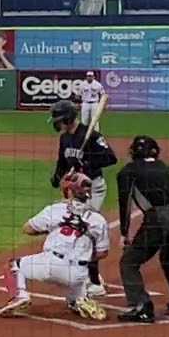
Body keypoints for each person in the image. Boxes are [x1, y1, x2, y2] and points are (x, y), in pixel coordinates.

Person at [0, 170, 110, 321]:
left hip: (50, 266)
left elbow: (27, 229)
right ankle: (77, 300)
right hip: (78, 275)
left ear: (70, 190)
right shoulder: (99, 220)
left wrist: (51, 231)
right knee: (76, 292)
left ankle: (19, 296)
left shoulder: (55, 210)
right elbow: (102, 253)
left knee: (12, 265)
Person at [115, 135, 169, 323]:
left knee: (129, 262)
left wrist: (124, 233)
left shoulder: (128, 171)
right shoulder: (167, 168)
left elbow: (124, 202)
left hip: (158, 218)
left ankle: (140, 305)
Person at [48, 99, 118, 297]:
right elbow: (62, 161)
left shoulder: (91, 135)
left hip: (93, 187)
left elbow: (110, 157)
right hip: (75, 189)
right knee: (76, 228)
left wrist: (87, 160)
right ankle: (84, 274)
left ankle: (95, 281)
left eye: (59, 120)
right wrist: (56, 176)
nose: (56, 123)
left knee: (86, 229)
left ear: (68, 118)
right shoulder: (65, 138)